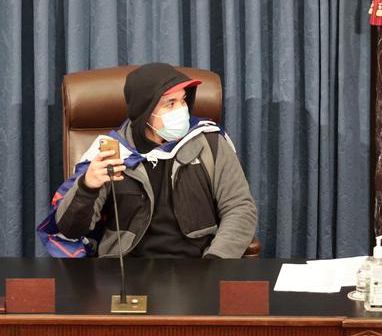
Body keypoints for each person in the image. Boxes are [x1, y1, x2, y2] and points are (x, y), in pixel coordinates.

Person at [38, 62, 257, 258]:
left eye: (183, 101)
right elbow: (71, 230)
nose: (181, 110)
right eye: (170, 103)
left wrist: (215, 262)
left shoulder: (210, 142)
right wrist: (87, 187)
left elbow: (239, 208)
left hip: (197, 266)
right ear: (145, 111)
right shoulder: (112, 153)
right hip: (125, 272)